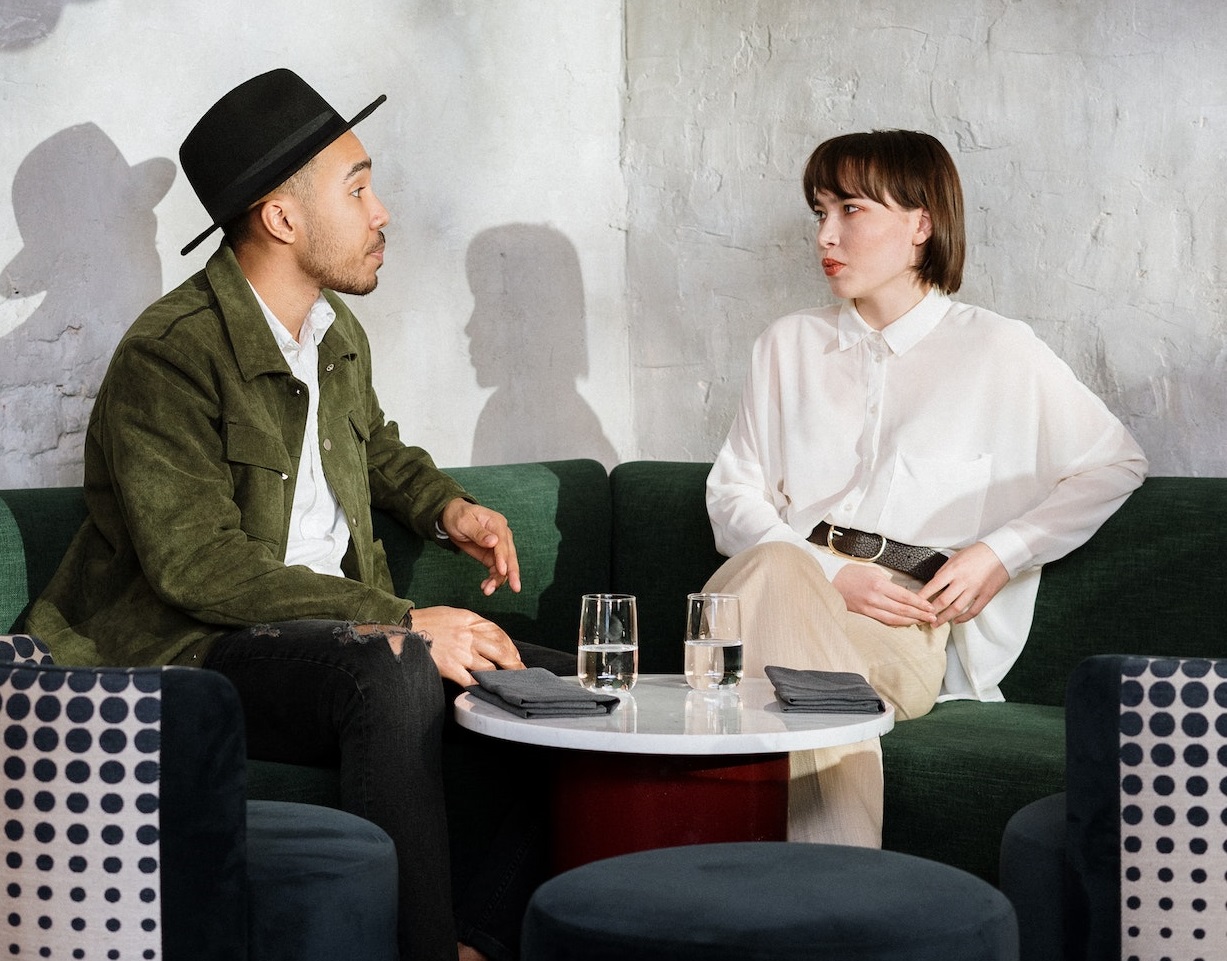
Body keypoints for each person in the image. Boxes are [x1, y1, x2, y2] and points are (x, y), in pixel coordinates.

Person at [28, 68, 568, 961]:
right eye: (357, 188)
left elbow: (372, 444)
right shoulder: (168, 356)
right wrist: (402, 617)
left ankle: (478, 939)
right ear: (281, 218)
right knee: (393, 666)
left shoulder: (331, 332)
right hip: (193, 648)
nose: (382, 210)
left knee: (561, 688)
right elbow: (198, 567)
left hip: (328, 636)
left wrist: (447, 508)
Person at [703, 129, 1147, 848]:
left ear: (921, 223)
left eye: (851, 210)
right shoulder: (786, 344)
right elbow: (732, 496)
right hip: (779, 579)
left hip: (901, 622)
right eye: (819, 211)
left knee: (751, 642)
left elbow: (1112, 462)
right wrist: (828, 573)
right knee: (775, 574)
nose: (826, 235)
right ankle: (837, 895)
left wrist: (999, 552)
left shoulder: (998, 349)